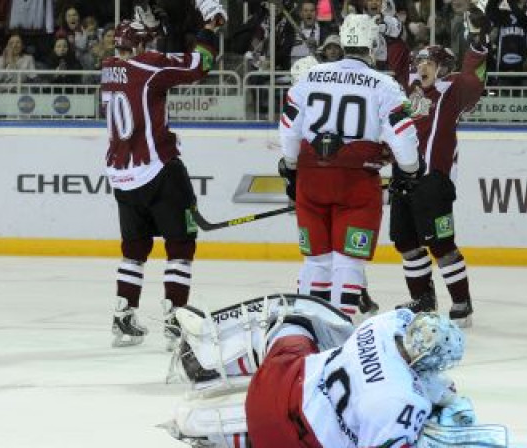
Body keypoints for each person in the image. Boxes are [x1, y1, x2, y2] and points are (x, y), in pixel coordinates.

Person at [165, 294, 478, 448]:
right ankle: (230, 439)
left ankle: (210, 353)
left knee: (296, 320)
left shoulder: (383, 326)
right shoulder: (404, 402)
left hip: (281, 377)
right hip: (287, 438)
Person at [277, 13, 422, 319]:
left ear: (342, 42)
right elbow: (402, 133)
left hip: (311, 180)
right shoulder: (384, 84)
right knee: (348, 261)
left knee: (316, 261)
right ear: (373, 45)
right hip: (356, 183)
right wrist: (410, 169)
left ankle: (307, 324)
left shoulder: (310, 77)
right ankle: (341, 324)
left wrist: (292, 166)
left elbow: (289, 128)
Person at [101, 0, 226, 349]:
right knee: (180, 246)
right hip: (158, 171)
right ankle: (176, 321)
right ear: (142, 45)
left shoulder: (108, 67)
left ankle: (123, 317)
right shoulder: (151, 65)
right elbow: (200, 65)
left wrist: (155, 30)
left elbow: (138, 53)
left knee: (134, 250)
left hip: (122, 176)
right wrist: (208, 29)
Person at [390, 25, 488, 327]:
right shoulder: (410, 91)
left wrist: (477, 44)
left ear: (443, 69)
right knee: (405, 241)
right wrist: (391, 34)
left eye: (428, 63)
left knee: (442, 245)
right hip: (403, 178)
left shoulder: (452, 90)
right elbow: (395, 66)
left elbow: (475, 79)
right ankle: (423, 299)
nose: (421, 67)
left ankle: (462, 303)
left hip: (434, 183)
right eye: (419, 62)